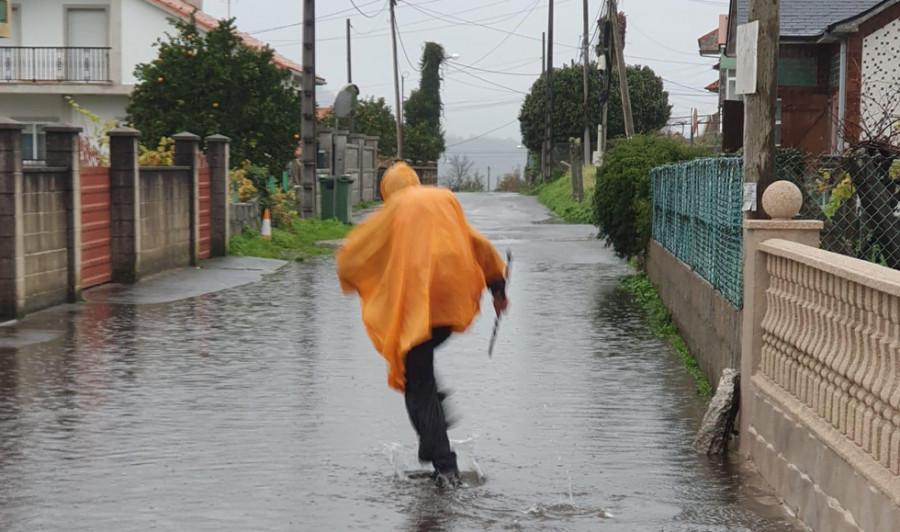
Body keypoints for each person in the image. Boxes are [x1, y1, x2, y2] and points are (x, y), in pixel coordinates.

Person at [336, 162, 509, 487]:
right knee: (419, 374)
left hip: (421, 307)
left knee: (415, 381)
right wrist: (498, 290)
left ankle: (445, 466)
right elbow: (479, 245)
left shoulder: (397, 209)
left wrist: (350, 275)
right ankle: (437, 433)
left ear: (388, 191)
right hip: (450, 301)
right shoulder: (443, 199)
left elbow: (355, 250)